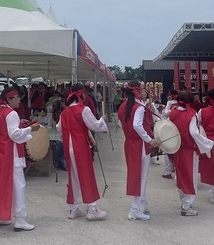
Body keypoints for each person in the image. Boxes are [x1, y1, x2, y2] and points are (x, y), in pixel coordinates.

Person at [0, 86, 40, 232]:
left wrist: (22, 125)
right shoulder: (11, 114)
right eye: (16, 97)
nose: (19, 100)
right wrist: (30, 129)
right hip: (11, 155)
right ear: (9, 99)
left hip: (1, 153)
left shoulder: (1, 112)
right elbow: (15, 134)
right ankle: (20, 219)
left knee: (1, 185)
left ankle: (0, 216)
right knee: (19, 186)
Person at [56, 83, 108, 220]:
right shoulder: (83, 109)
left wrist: (64, 139)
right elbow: (94, 125)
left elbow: (59, 128)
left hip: (69, 147)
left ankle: (73, 209)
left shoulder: (64, 112)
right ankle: (92, 209)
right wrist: (102, 120)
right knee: (86, 175)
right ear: (81, 95)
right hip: (81, 147)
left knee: (73, 177)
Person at [117, 80, 158, 221]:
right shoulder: (138, 107)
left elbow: (120, 124)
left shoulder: (122, 106)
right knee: (141, 177)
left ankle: (142, 204)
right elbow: (137, 125)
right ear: (137, 90)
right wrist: (149, 139)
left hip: (129, 143)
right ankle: (135, 209)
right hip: (139, 144)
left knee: (137, 175)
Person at [169, 90, 213, 216]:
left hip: (177, 148)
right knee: (191, 177)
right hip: (189, 150)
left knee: (181, 176)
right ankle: (186, 205)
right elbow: (194, 133)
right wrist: (208, 143)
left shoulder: (173, 113)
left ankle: (184, 201)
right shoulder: (191, 114)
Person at [161, 89, 178, 179]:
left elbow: (166, 113)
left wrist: (170, 110)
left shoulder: (170, 103)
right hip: (180, 127)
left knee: (168, 149)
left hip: (170, 127)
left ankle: (168, 171)